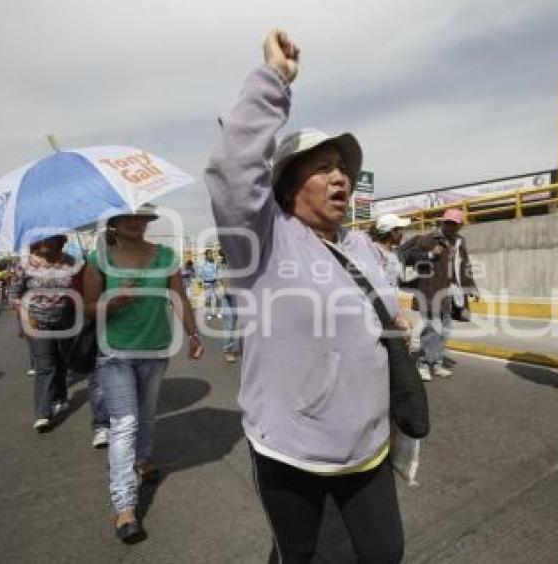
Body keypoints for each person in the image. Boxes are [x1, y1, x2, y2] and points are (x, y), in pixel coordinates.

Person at [205, 30, 405, 563]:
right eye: (323, 167)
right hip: (289, 446)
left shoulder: (361, 245)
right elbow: (231, 170)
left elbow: (379, 316)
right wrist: (273, 82)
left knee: (386, 554)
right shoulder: (262, 239)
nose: (341, 177)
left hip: (367, 442)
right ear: (290, 185)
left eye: (344, 168)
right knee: (296, 553)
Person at [82, 204, 203, 544]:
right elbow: (87, 307)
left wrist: (193, 334)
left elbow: (178, 297)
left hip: (155, 349)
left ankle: (143, 458)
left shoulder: (165, 255)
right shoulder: (98, 260)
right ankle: (125, 507)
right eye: (128, 218)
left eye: (142, 217)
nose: (136, 223)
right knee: (124, 423)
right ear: (115, 225)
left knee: (147, 415)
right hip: (114, 352)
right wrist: (111, 302)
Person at [400, 208, 479, 380]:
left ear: (460, 226)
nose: (451, 227)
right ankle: (422, 363)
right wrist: (429, 254)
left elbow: (465, 265)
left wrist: (471, 287)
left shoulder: (459, 242)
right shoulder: (426, 239)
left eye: (455, 224)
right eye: (448, 223)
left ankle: (436, 363)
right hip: (430, 289)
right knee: (431, 328)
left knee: (444, 329)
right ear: (442, 223)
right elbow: (404, 254)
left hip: (452, 291)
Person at [10, 235, 77, 432]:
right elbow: (14, 295)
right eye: (42, 240)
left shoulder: (71, 262)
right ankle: (43, 413)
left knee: (62, 361)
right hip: (37, 322)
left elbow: (80, 288)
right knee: (45, 366)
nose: (46, 244)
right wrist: (25, 315)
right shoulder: (25, 264)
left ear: (60, 242)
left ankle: (60, 396)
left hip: (66, 321)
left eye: (52, 240)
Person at [198, 249, 221, 320]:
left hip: (215, 283)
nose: (211, 255)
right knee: (208, 300)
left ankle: (217, 313)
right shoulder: (202, 264)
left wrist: (219, 281)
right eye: (210, 254)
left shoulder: (215, 263)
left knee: (218, 298)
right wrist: (200, 285)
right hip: (207, 284)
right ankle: (209, 314)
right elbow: (199, 275)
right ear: (206, 255)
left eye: (212, 254)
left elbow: (218, 272)